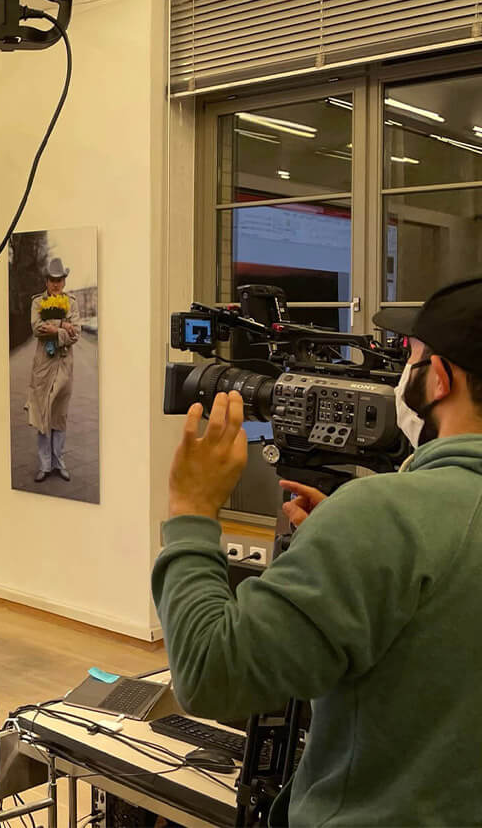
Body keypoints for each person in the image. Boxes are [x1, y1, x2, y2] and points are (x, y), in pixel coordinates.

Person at [152, 276, 482, 826]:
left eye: (413, 360)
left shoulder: (384, 517)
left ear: (441, 379)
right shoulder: (381, 523)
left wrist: (191, 510)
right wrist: (349, 544)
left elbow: (211, 673)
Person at [25, 256, 81, 482]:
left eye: (60, 279)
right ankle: (44, 465)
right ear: (46, 281)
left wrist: (58, 330)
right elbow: (37, 329)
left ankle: (59, 462)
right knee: (41, 412)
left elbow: (76, 333)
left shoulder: (72, 302)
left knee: (59, 414)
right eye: (52, 279)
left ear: (64, 281)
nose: (56, 284)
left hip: (64, 365)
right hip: (43, 365)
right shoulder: (38, 302)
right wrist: (62, 326)